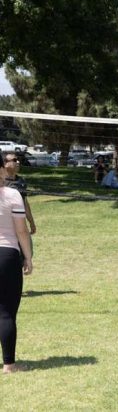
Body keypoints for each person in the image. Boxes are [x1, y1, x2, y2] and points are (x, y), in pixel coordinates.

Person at [0, 154, 33, 374]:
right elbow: (21, 231)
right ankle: (9, 365)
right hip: (7, 255)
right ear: (2, 169)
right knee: (5, 313)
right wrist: (28, 256)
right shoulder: (12, 194)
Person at [4, 153, 36, 236]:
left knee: (27, 247)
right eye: (14, 160)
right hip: (4, 227)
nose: (18, 162)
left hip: (20, 224)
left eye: (18, 160)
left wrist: (31, 222)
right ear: (5, 164)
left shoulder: (21, 181)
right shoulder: (1, 182)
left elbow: (25, 203)